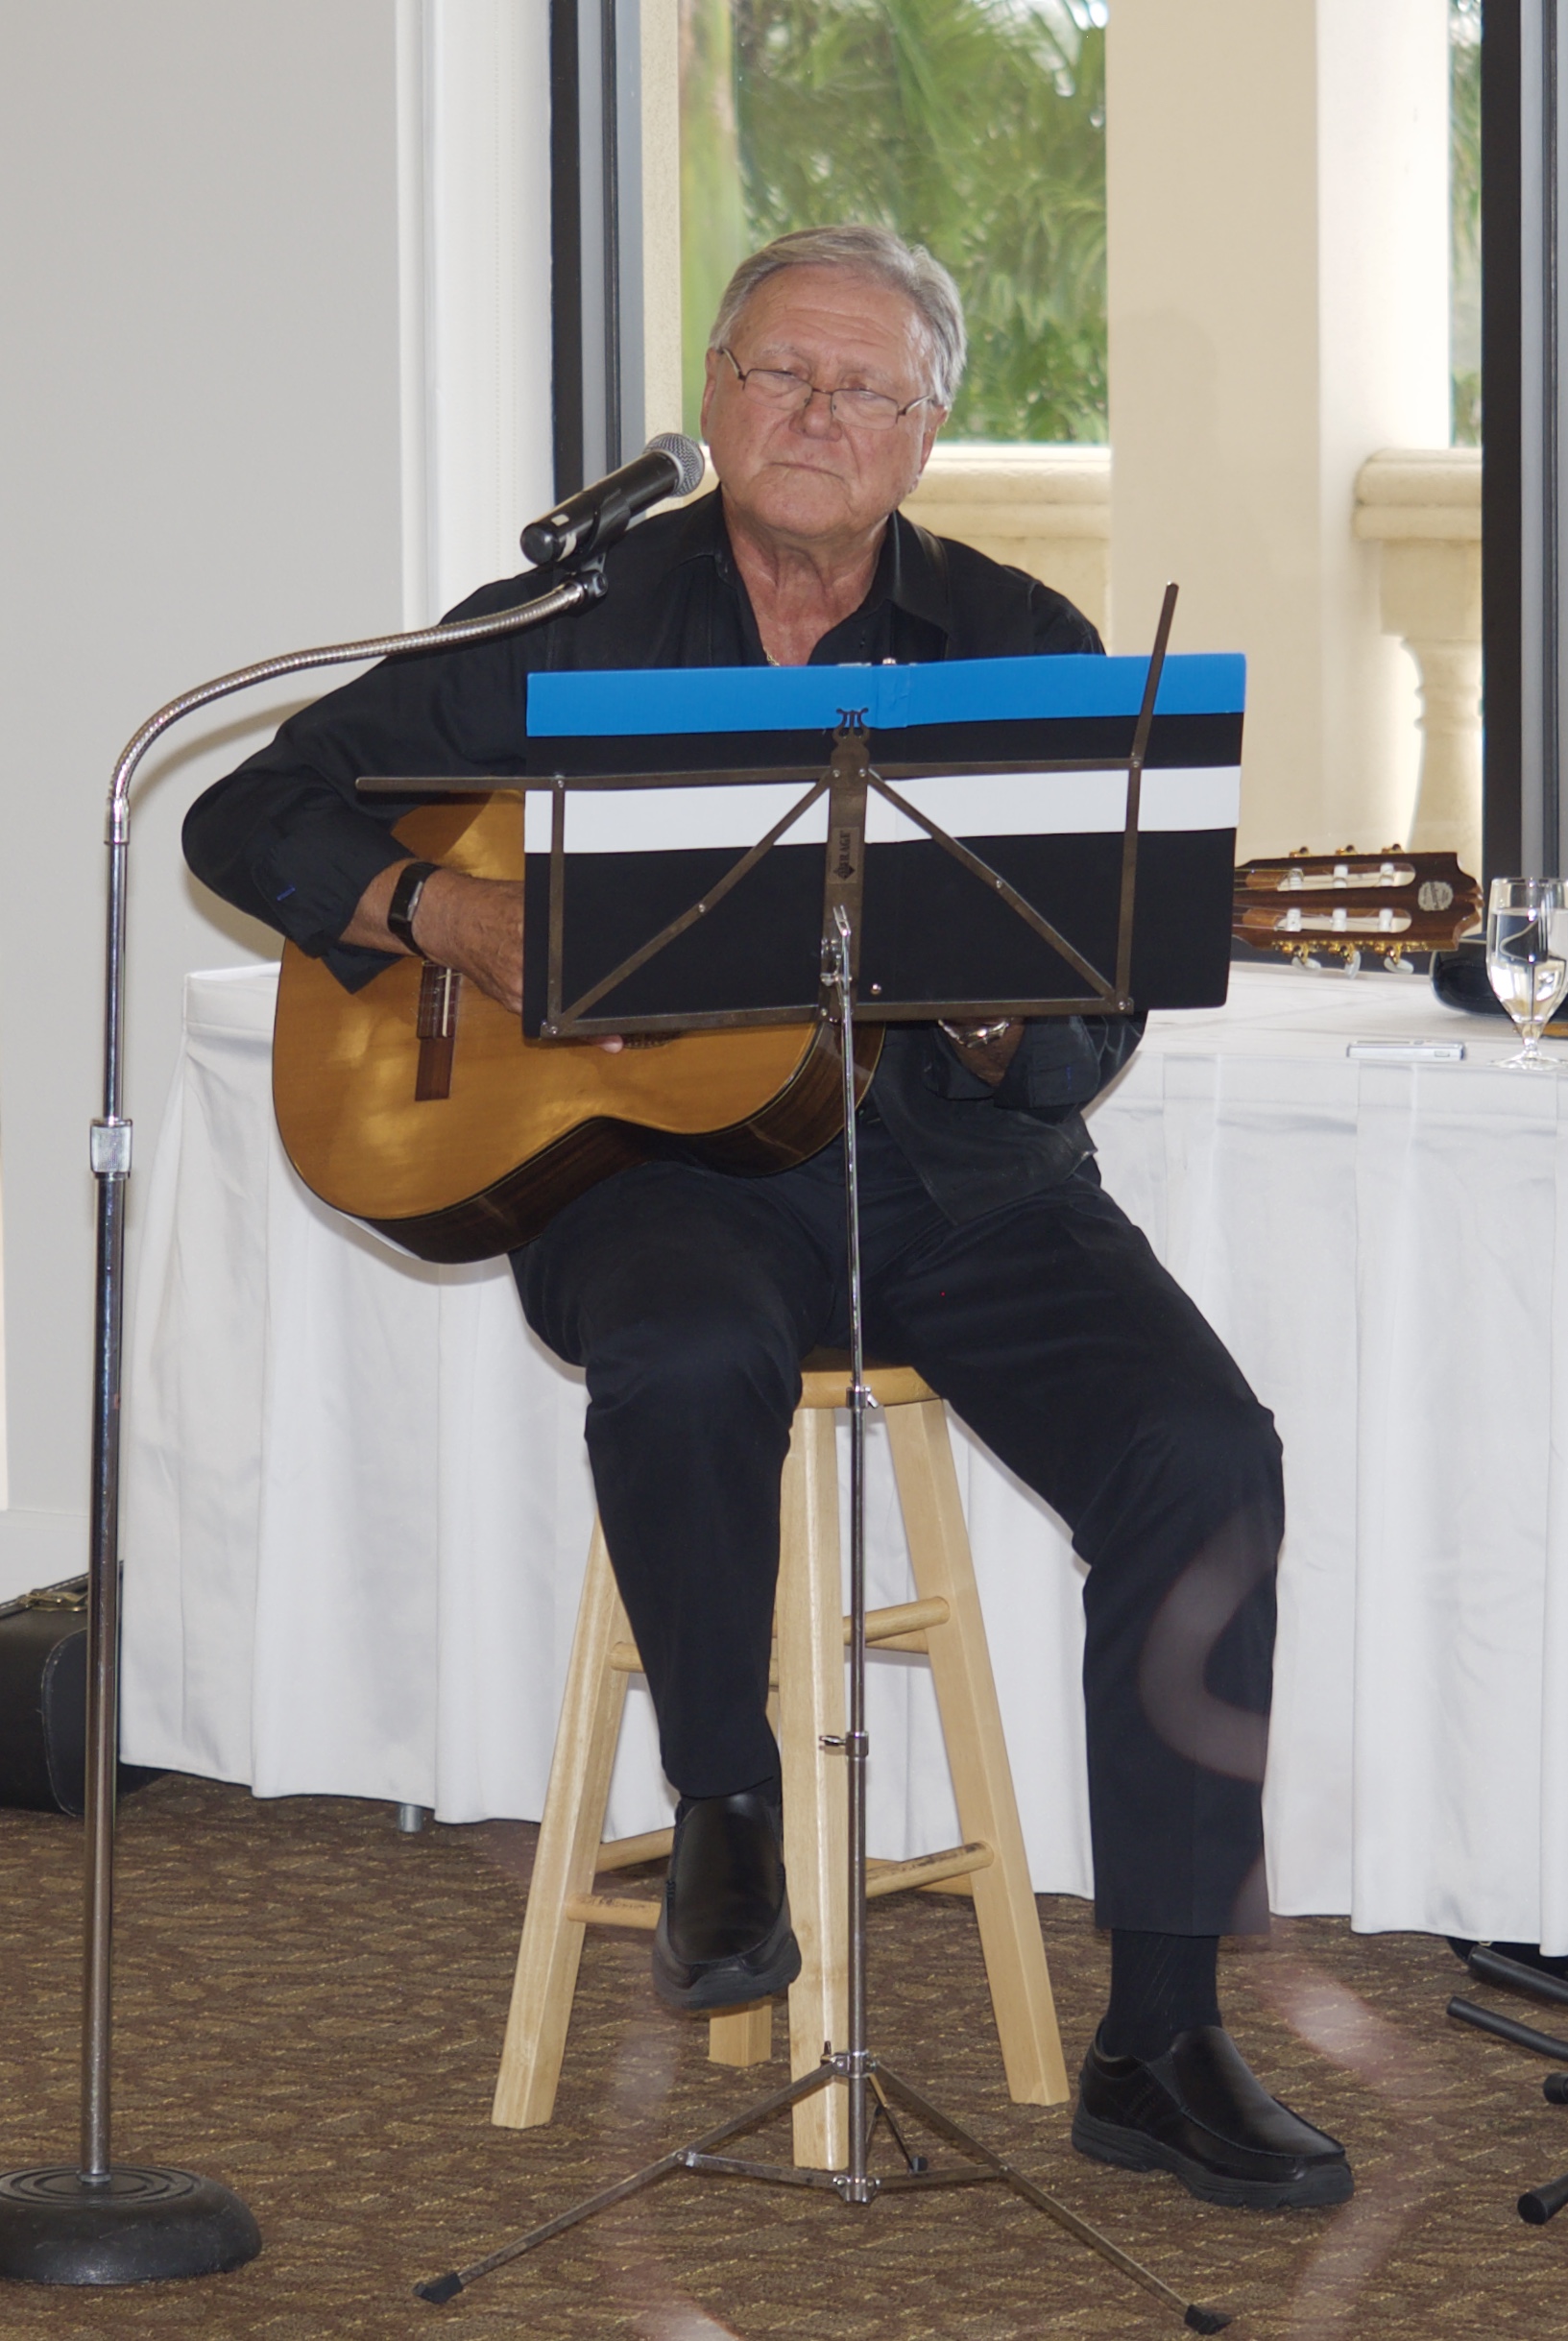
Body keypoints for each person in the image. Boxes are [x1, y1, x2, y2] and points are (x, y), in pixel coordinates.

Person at [183, 225, 1351, 2211]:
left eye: (860, 388)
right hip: (649, 1173)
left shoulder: (1018, 644)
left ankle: (1162, 2034)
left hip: (958, 1186)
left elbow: (1080, 1044)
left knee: (1203, 1454)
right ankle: (724, 1807)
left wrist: (1001, 1004)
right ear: (714, 399)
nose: (813, 416)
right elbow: (252, 808)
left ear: (926, 428)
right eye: (777, 375)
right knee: (682, 1341)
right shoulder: (578, 617)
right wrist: (448, 912)